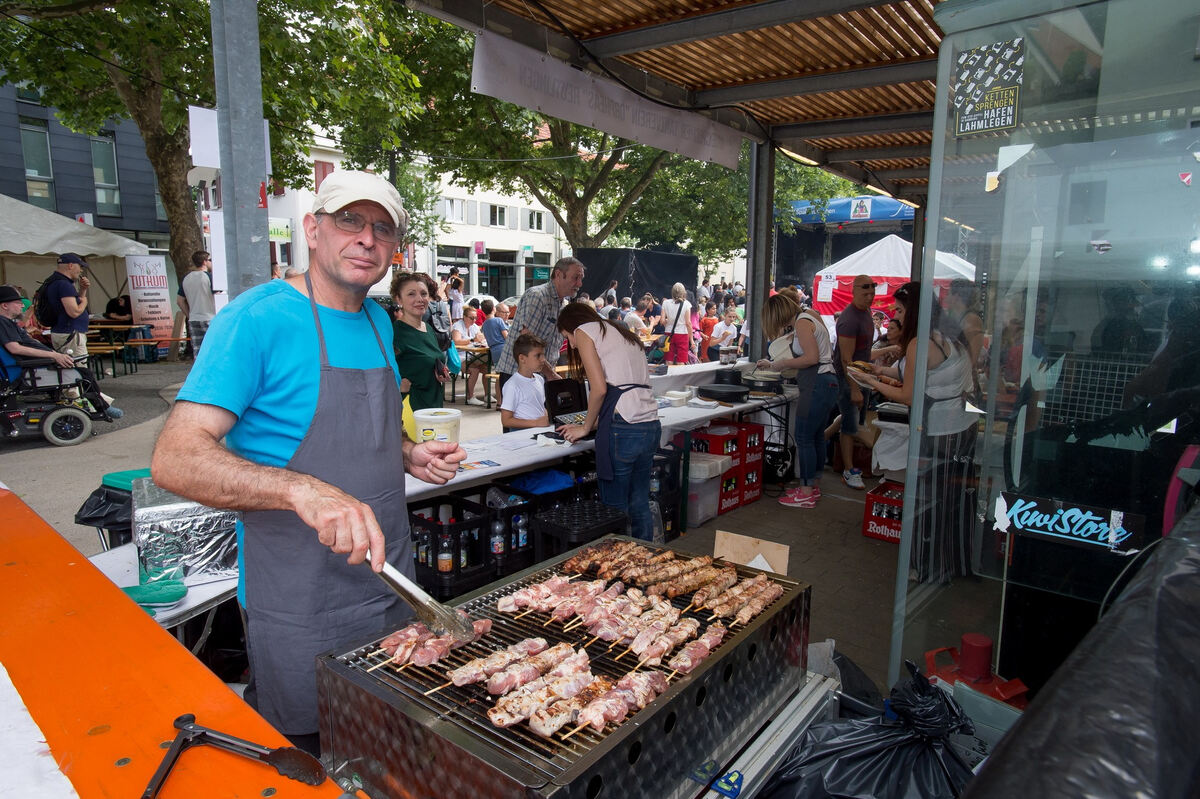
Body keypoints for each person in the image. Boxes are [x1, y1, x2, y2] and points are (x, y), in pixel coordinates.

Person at [149, 170, 465, 755]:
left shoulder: (378, 320)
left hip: (391, 581)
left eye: (383, 229)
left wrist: (409, 453)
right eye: (350, 220)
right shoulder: (256, 318)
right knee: (309, 756)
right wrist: (302, 491)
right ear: (313, 229)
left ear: (396, 249)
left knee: (385, 744)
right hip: (300, 599)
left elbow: (371, 426)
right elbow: (175, 458)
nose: (366, 238)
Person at [859, 281, 977, 583]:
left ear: (913, 311)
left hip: (939, 430)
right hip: (963, 426)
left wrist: (869, 381)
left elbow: (908, 395)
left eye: (899, 310)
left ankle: (927, 567)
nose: (896, 316)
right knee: (956, 501)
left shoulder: (919, 343)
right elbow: (920, 374)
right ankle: (953, 563)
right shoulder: (948, 335)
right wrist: (880, 371)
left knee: (929, 502)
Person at [555, 303, 660, 541]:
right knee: (639, 502)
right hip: (650, 424)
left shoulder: (584, 331)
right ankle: (644, 556)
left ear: (573, 326)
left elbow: (599, 389)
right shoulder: (622, 332)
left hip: (623, 429)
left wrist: (585, 428)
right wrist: (592, 423)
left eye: (567, 336)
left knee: (614, 509)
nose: (572, 344)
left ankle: (615, 559)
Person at [757, 293, 837, 508]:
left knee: (803, 437)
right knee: (816, 436)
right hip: (828, 382)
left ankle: (805, 492)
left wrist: (782, 363)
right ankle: (813, 485)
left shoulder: (802, 323)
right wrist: (774, 363)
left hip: (816, 383)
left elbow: (811, 358)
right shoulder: (810, 315)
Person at [0, 284, 121, 419]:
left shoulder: (8, 323)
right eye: (18, 302)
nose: (22, 305)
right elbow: (15, 348)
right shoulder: (3, 322)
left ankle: (101, 405)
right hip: (30, 370)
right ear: (5, 305)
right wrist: (54, 355)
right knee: (83, 373)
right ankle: (103, 407)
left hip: (33, 365)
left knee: (82, 369)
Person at [494, 256, 584, 396]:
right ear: (558, 274)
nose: (579, 283)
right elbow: (527, 340)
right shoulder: (537, 296)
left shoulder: (563, 305)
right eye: (575, 277)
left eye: (581, 278)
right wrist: (551, 374)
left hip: (540, 375)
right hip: (519, 375)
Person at [832, 274, 876, 490]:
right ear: (854, 290)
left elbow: (864, 351)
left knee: (853, 421)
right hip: (848, 378)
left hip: (861, 376)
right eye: (865, 292)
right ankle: (848, 470)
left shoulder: (866, 312)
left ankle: (824, 438)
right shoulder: (849, 319)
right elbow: (846, 359)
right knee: (849, 425)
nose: (869, 296)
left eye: (872, 292)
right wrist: (854, 388)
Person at [391, 271, 450, 411]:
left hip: (434, 406)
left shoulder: (428, 328)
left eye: (424, 294)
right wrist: (397, 385)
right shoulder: (394, 333)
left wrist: (441, 372)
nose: (420, 299)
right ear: (399, 299)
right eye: (411, 294)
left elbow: (428, 362)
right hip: (410, 411)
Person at [44, 253, 91, 363]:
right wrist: (84, 302)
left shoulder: (54, 281)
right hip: (71, 334)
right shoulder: (64, 284)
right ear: (70, 265)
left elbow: (72, 304)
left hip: (61, 331)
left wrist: (83, 290)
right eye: (80, 266)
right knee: (79, 367)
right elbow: (74, 312)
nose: (81, 270)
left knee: (67, 366)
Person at [499, 333, 549, 432]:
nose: (543, 359)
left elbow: (540, 407)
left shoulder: (539, 379)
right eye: (538, 355)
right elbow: (506, 420)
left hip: (540, 431)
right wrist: (536, 423)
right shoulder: (512, 385)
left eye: (543, 355)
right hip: (522, 436)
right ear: (522, 358)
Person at [178, 251, 217, 354]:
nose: (212, 263)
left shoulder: (186, 278)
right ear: (204, 262)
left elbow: (180, 301)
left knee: (198, 352)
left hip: (194, 319)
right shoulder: (209, 277)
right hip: (210, 318)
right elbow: (218, 295)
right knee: (214, 350)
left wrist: (189, 315)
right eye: (210, 260)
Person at [452, 305, 488, 406]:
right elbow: (456, 341)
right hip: (458, 356)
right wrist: (472, 340)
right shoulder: (457, 326)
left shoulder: (475, 326)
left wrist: (481, 339)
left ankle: (487, 395)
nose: (474, 320)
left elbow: (481, 338)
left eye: (475, 318)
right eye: (471, 318)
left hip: (471, 355)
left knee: (486, 368)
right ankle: (470, 397)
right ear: (464, 317)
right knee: (474, 370)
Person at [660, 282, 693, 365]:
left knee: (669, 359)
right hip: (682, 333)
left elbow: (662, 321)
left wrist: (668, 322)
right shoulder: (687, 304)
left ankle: (669, 373)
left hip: (669, 333)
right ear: (683, 292)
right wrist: (691, 340)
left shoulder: (665, 303)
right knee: (681, 360)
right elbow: (688, 323)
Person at [480, 300, 509, 371]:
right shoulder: (499, 320)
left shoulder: (484, 325)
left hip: (494, 351)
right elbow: (506, 337)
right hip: (503, 349)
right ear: (494, 309)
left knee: (499, 372)